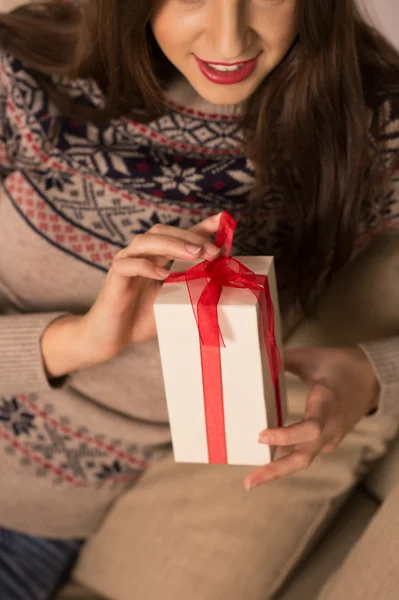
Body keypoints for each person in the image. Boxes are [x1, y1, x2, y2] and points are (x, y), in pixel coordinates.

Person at [0, 0, 397, 598]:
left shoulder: (374, 126)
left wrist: (372, 376)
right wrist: (77, 341)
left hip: (29, 532)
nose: (229, 39)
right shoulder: (29, 70)